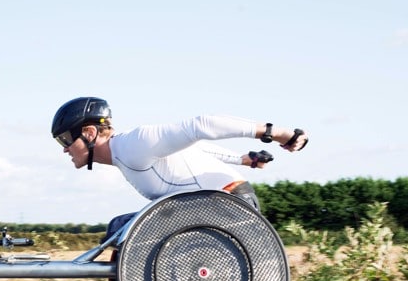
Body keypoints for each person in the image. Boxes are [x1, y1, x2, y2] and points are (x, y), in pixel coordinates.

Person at [50, 96, 309, 237]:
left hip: (229, 205)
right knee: (119, 228)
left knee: (121, 229)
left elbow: (200, 126)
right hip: (223, 202)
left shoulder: (133, 144)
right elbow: (195, 149)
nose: (64, 148)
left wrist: (277, 134)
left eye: (65, 139)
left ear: (89, 132)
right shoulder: (123, 154)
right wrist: (242, 160)